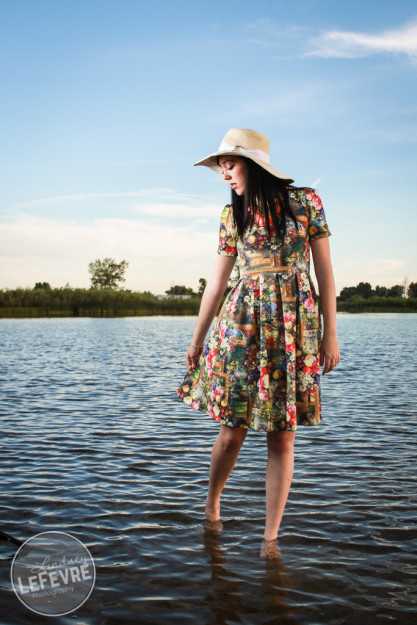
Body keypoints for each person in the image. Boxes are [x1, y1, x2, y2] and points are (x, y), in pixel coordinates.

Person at [177, 128, 340, 550]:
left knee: (283, 436)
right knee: (233, 429)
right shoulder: (232, 216)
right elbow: (215, 284)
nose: (224, 175)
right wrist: (196, 341)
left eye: (228, 165)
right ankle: (212, 506)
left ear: (252, 163)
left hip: (295, 327)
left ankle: (271, 539)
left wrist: (330, 334)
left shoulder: (307, 203)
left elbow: (324, 273)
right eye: (221, 168)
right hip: (241, 325)